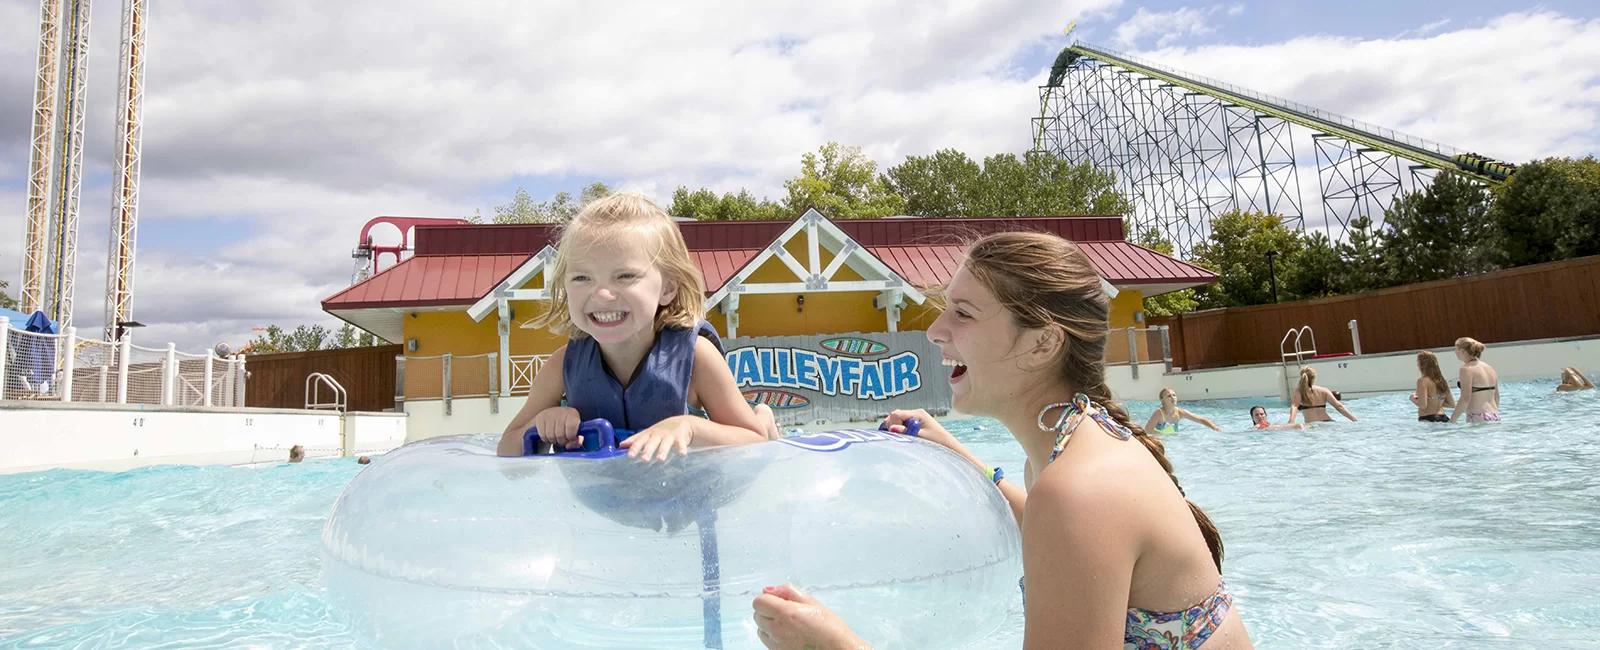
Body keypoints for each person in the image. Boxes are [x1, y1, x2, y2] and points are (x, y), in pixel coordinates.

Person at [752, 232, 1252, 649]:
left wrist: (836, 644)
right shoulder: (1079, 442)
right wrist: (963, 458)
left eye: (963, 314)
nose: (934, 332)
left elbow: (1066, 513)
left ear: (1043, 343)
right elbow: (1045, 516)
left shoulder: (1080, 489)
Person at [496, 194, 776, 461]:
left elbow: (753, 442)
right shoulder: (561, 367)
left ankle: (764, 416)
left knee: (761, 428)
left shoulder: (696, 359)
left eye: (625, 276)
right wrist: (541, 425)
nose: (602, 294)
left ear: (667, 288)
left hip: (689, 502)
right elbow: (505, 448)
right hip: (613, 503)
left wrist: (690, 428)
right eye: (582, 278)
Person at [1450, 337, 1500, 423]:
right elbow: (1497, 396)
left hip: (1477, 416)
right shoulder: (1489, 368)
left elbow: (1465, 398)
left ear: (1463, 351)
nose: (1455, 352)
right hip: (1494, 415)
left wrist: (1452, 420)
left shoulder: (1466, 369)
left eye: (1456, 349)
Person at [1287, 367, 1356, 424]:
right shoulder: (1324, 390)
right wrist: (1355, 420)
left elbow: (1294, 406)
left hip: (1313, 426)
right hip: (1329, 423)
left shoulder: (1299, 391)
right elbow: (1339, 407)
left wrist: (1291, 421)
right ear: (1314, 377)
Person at [1145, 387, 1222, 433]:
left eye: (1174, 395)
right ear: (1162, 401)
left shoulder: (1180, 413)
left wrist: (1214, 427)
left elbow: (1201, 420)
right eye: (1169, 396)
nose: (1173, 397)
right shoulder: (1158, 414)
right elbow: (1147, 431)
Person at [1409, 350, 1456, 422]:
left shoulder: (1422, 381)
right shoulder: (1442, 381)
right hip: (1444, 418)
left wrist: (1413, 399)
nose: (1417, 365)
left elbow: (1423, 405)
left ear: (1421, 365)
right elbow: (1451, 404)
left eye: (1418, 363)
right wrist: (1435, 400)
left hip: (1428, 418)